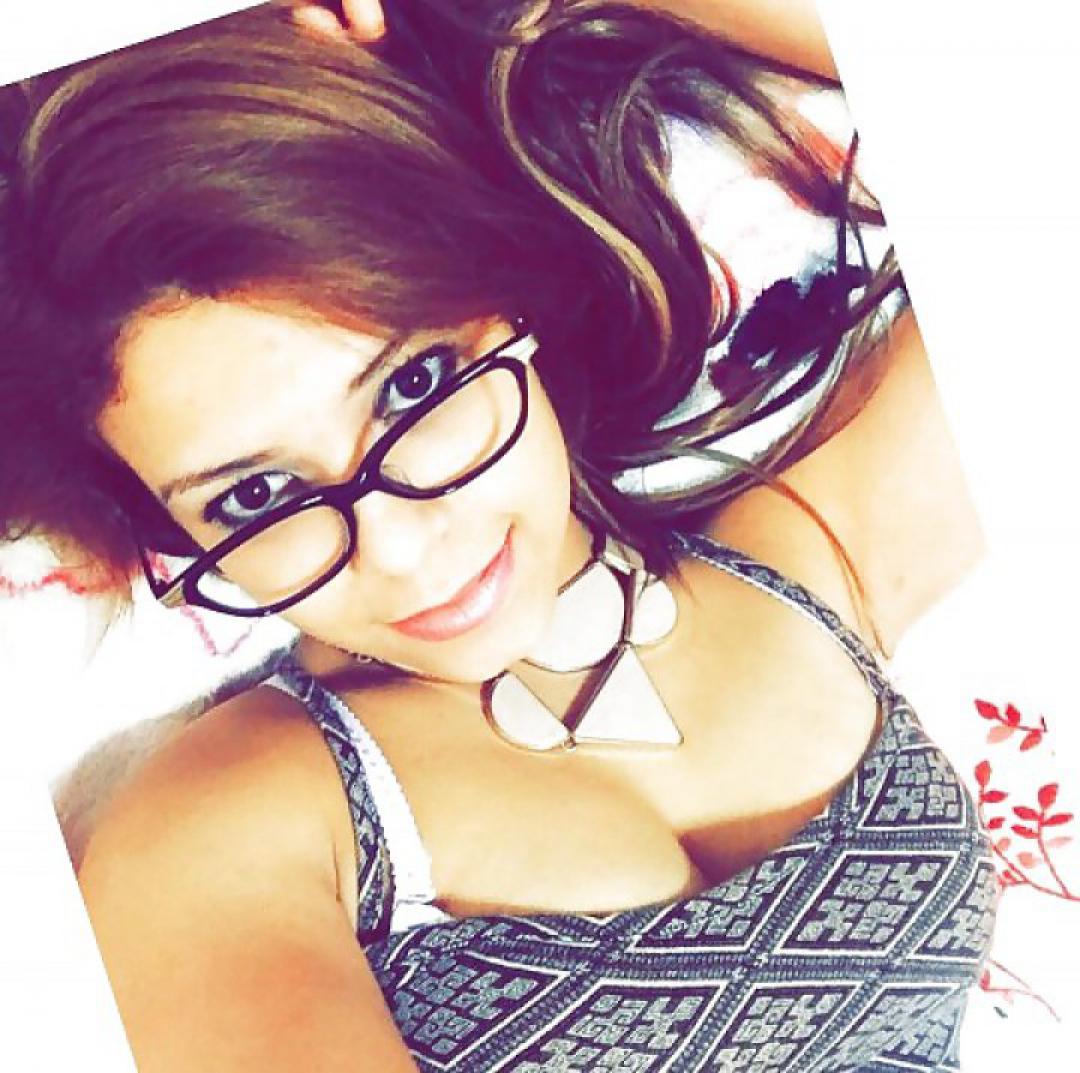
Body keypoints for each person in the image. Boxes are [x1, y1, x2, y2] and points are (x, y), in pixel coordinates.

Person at [0, 1, 995, 1069]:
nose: (400, 547)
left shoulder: (811, 556)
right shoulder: (217, 835)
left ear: (505, 291)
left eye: (415, 385)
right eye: (254, 497)